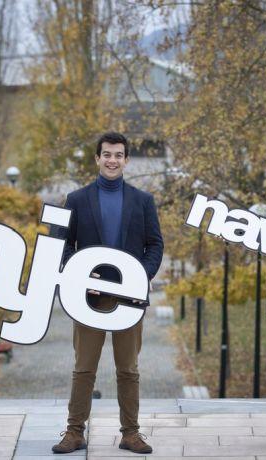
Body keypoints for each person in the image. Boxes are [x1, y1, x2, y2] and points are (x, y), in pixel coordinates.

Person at [51, 132, 164, 454]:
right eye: (107, 154)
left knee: (128, 369)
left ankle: (131, 433)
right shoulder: (76, 199)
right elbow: (62, 246)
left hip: (128, 298)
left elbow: (155, 244)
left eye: (118, 155)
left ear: (126, 160)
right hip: (89, 296)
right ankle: (74, 432)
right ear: (97, 159)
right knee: (84, 367)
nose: (112, 160)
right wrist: (80, 273)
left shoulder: (143, 201)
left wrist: (142, 275)